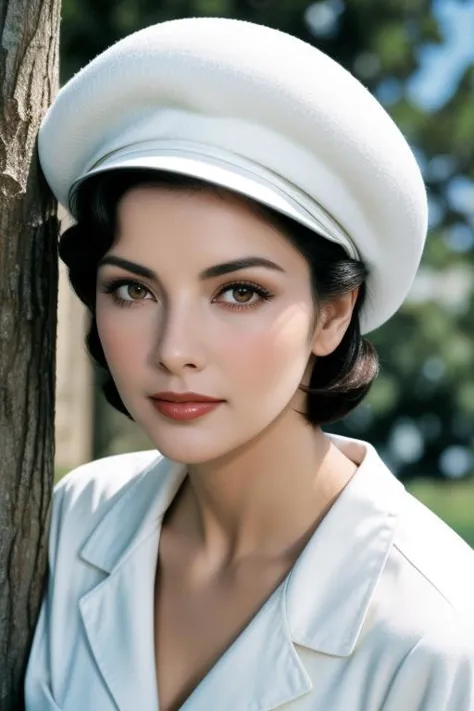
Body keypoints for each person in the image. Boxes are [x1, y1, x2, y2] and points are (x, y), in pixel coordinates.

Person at [25, 17, 474, 711]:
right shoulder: (75, 518)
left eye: (239, 292)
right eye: (133, 288)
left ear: (333, 313)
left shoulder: (441, 636)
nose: (174, 348)